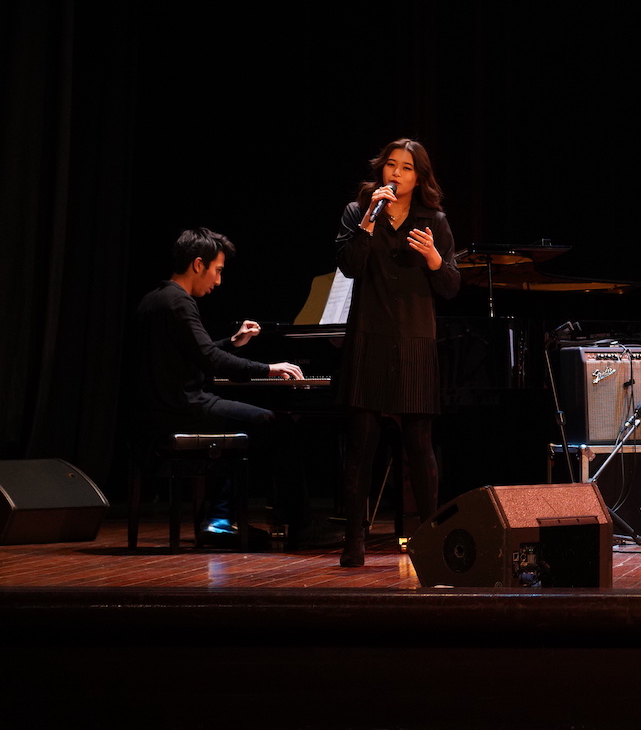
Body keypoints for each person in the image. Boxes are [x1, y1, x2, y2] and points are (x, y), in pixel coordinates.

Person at [130, 229, 307, 540]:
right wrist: (268, 368)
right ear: (199, 264)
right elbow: (209, 359)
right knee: (275, 425)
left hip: (160, 409)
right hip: (184, 407)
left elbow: (194, 353)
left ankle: (221, 518)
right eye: (218, 271)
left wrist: (233, 343)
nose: (218, 281)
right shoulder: (180, 302)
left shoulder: (154, 299)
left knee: (246, 426)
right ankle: (297, 526)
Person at [333, 139, 460, 568]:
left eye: (406, 168)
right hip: (368, 339)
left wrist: (433, 258)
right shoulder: (358, 213)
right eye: (391, 165)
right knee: (361, 445)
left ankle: (431, 540)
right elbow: (349, 265)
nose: (396, 174)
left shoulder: (433, 220)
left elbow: (450, 287)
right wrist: (369, 218)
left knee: (419, 446)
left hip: (413, 342)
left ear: (419, 177)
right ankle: (355, 542)